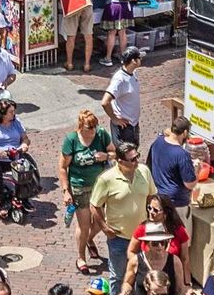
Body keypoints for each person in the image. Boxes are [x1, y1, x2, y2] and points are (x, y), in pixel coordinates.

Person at [60, 108, 114, 274]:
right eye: (89, 128)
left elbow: (113, 151)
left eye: (94, 127)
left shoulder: (102, 134)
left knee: (100, 221)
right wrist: (66, 190)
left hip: (100, 186)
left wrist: (106, 156)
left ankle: (89, 239)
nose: (93, 132)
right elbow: (63, 167)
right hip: (80, 187)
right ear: (81, 127)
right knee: (83, 225)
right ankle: (81, 256)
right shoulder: (72, 140)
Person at [91, 143, 154, 283]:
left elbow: (151, 196)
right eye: (132, 159)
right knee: (118, 276)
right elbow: (95, 205)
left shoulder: (144, 171)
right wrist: (104, 227)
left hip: (142, 237)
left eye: (137, 157)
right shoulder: (106, 179)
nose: (136, 161)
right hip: (118, 238)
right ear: (120, 161)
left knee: (141, 274)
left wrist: (152, 218)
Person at [102, 47, 144, 147]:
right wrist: (115, 119)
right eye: (139, 58)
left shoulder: (132, 72)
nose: (141, 59)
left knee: (133, 153)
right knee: (126, 158)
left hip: (133, 124)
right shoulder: (119, 80)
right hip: (124, 127)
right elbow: (105, 102)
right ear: (133, 61)